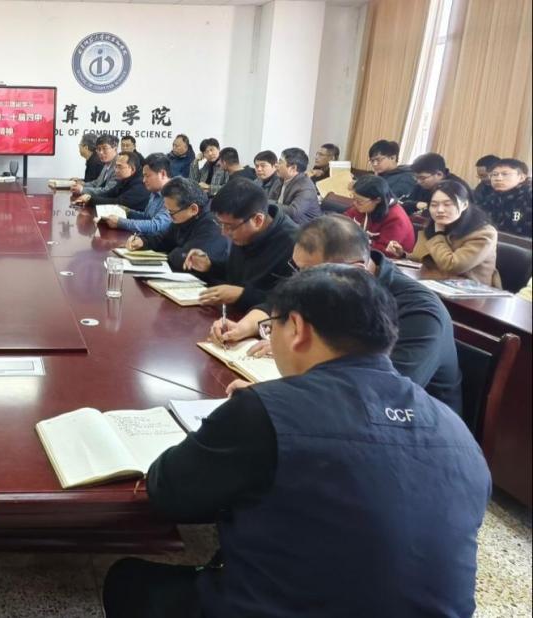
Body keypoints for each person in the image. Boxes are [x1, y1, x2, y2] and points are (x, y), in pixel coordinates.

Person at [103, 265, 490, 618]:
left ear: (298, 329)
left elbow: (169, 492)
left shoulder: (264, 410)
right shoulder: (456, 431)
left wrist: (240, 425)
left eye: (272, 326)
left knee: (127, 580)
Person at [211, 215, 462, 414]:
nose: (300, 281)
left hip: (405, 432)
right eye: (297, 270)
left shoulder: (420, 312)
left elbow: (381, 393)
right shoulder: (333, 282)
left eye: (308, 273)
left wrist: (281, 393)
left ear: (356, 270)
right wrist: (249, 327)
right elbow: (283, 301)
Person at [185, 178, 297, 310]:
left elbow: (289, 302)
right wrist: (210, 265)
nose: (224, 233)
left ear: (258, 220)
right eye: (221, 224)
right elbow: (238, 274)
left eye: (229, 226)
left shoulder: (294, 244)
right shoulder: (244, 230)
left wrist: (242, 294)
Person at [387, 180, 501, 287]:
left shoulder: (484, 233)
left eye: (447, 204)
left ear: (464, 205)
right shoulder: (436, 225)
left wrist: (438, 235)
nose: (440, 210)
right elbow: (424, 258)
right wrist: (403, 255)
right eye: (434, 205)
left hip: (470, 293)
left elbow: (452, 266)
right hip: (434, 284)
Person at [125, 176, 229, 273]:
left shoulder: (214, 225)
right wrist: (143, 241)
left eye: (171, 212)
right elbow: (164, 239)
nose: (169, 216)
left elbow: (188, 259)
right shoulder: (184, 217)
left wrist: (173, 253)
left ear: (193, 209)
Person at [344, 174, 415, 255]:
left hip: (387, 259)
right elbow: (344, 220)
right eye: (353, 198)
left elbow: (384, 251)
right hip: (362, 251)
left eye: (359, 201)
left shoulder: (396, 219)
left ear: (377, 200)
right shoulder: (364, 207)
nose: (354, 203)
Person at [74, 151, 151, 217]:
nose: (116, 170)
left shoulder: (141, 184)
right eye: (115, 166)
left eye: (119, 167)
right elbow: (109, 193)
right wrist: (88, 196)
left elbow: (118, 203)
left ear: (132, 169)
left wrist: (91, 200)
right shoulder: (125, 178)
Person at [401, 152, 469, 214]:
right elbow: (404, 204)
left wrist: (424, 207)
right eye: (416, 177)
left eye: (422, 178)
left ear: (439, 174)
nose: (418, 181)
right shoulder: (421, 184)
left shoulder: (457, 187)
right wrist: (416, 204)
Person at [482, 158, 531, 237]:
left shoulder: (529, 197)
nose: (498, 178)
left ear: (521, 178)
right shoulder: (491, 196)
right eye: (494, 174)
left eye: (505, 174)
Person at [274, 147, 321, 224]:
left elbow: (293, 212)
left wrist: (268, 204)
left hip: (305, 227)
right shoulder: (280, 180)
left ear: (293, 168)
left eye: (280, 162)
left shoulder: (305, 187)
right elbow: (271, 199)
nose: (276, 165)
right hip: (284, 221)